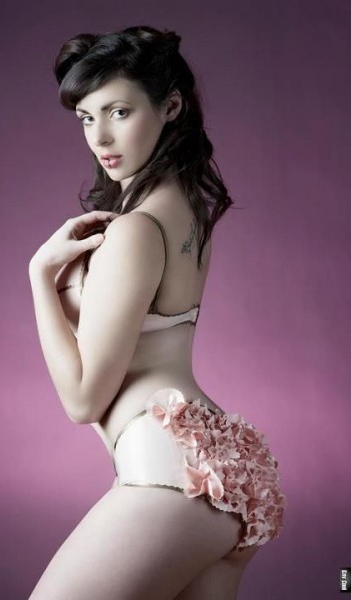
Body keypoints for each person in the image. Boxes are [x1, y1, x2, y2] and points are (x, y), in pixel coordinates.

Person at [28, 25, 287, 600]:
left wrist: (40, 280)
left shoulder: (136, 229)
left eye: (119, 112)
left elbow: (83, 401)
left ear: (170, 106)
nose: (100, 137)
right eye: (87, 118)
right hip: (231, 475)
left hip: (172, 475)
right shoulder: (189, 211)